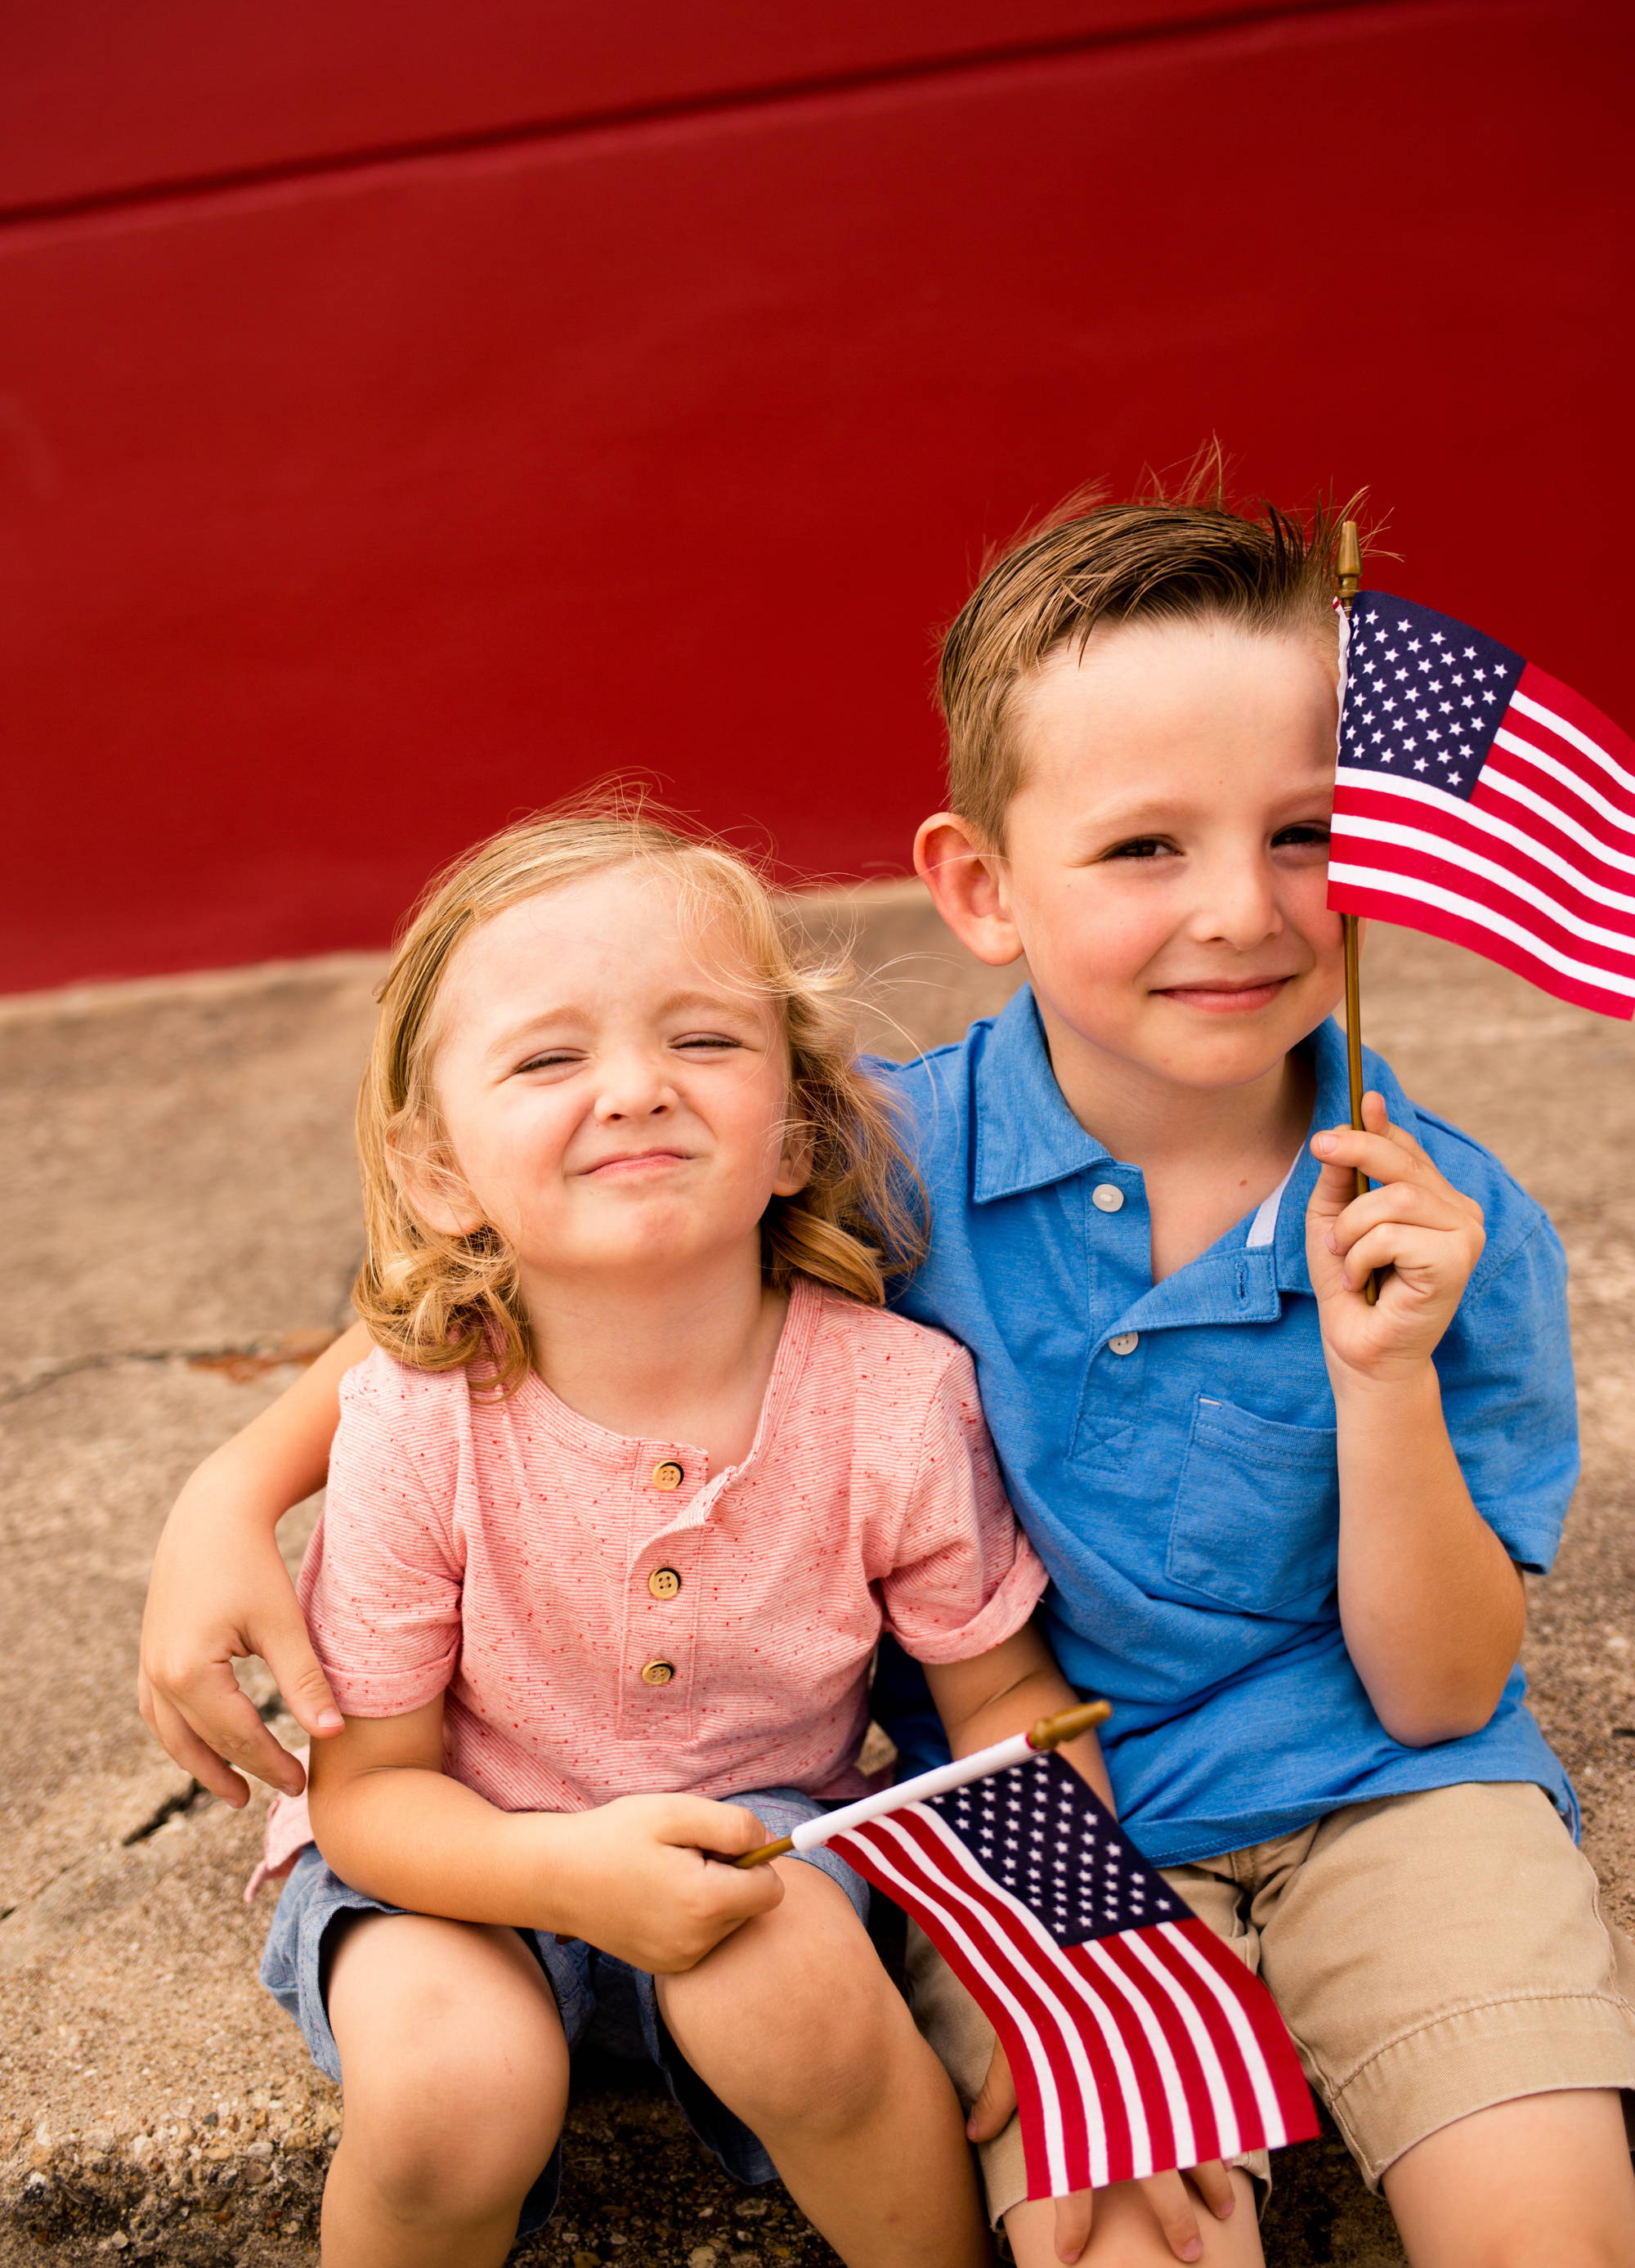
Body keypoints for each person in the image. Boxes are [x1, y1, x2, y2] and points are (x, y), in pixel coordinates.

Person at [140, 491, 1635, 2267]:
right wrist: (231, 1488)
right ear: (979, 890)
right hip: (1022, 1847)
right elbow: (526, 1285)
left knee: (1541, 2213)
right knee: (1127, 2237)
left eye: (1307, 832)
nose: (1240, 907)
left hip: (1374, 1794)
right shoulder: (881, 1155)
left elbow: (1435, 1690)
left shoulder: (1448, 1234)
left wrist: (1382, 1373)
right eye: (1144, 846)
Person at [197, 804, 1108, 2268]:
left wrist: (1066, 1976)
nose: (633, 1090)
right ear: (439, 1173)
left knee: (798, 2001)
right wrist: (560, 1876)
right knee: (452, 2092)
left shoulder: (892, 1398)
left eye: (702, 1042)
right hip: (455, 1867)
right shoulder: (416, 1421)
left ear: (799, 1131)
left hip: (763, 1849)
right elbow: (370, 1793)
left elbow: (1005, 1707)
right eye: (550, 1059)